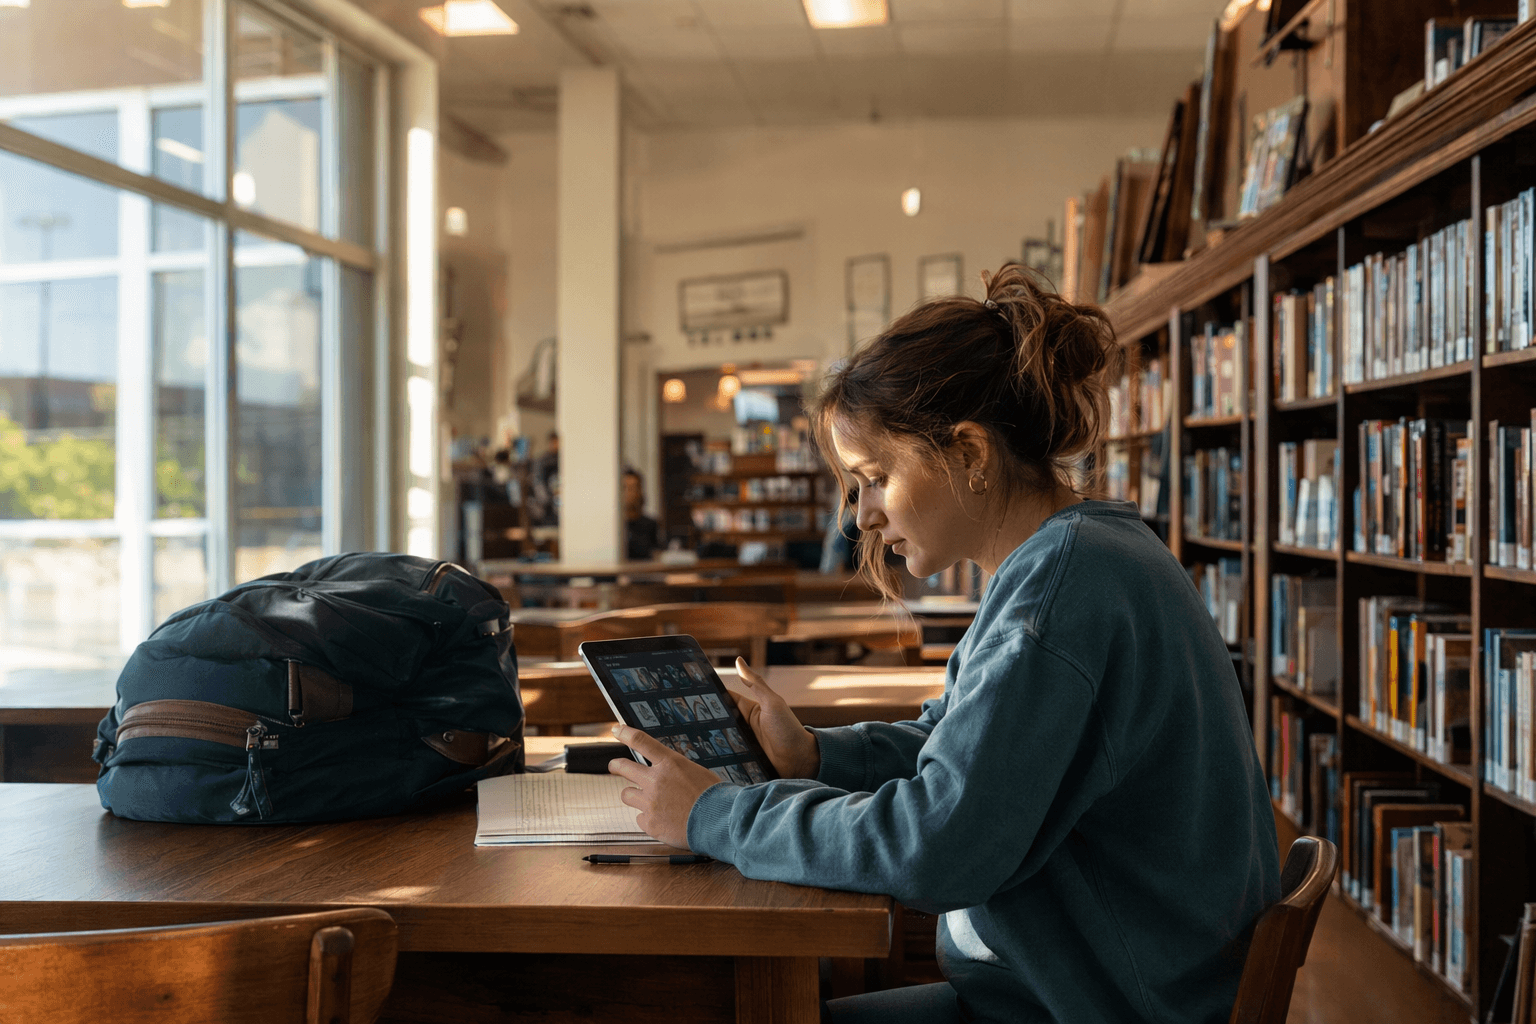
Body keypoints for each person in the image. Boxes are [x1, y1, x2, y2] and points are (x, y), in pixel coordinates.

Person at [607, 264, 1279, 1024]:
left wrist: (716, 817)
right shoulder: (1073, 558)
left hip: (1098, 1006)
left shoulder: (1062, 591)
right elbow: (958, 745)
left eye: (876, 477)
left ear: (970, 453)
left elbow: (937, 844)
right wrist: (818, 758)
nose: (861, 517)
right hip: (1086, 988)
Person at [624, 468, 660, 561]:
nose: (630, 493)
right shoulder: (614, 528)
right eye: (626, 488)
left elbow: (657, 555)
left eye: (634, 488)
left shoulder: (651, 524)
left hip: (645, 573)